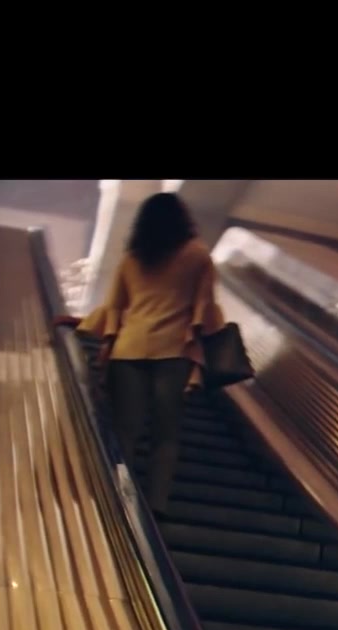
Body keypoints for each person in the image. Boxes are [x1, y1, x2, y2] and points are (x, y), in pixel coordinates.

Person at [70, 192, 220, 515]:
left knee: (125, 429)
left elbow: (114, 307)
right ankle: (157, 504)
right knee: (166, 433)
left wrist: (103, 338)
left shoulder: (132, 258)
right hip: (174, 353)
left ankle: (113, 496)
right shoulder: (198, 255)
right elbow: (205, 306)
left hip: (129, 350)